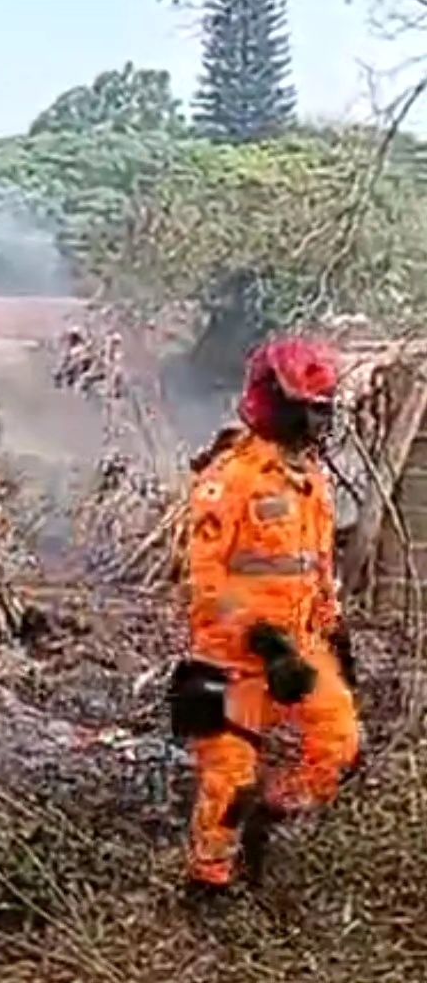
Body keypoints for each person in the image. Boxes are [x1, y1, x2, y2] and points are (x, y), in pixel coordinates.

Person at [184, 336, 359, 892]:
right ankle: (209, 882)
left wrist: (335, 630)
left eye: (324, 409)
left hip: (300, 647)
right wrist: (261, 638)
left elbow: (316, 566)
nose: (318, 420)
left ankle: (270, 817)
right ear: (275, 402)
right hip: (228, 659)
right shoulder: (231, 478)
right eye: (309, 408)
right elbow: (205, 584)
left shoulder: (311, 482)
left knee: (340, 744)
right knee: (228, 781)